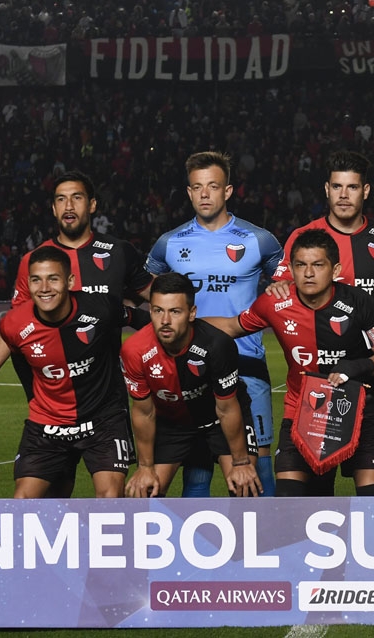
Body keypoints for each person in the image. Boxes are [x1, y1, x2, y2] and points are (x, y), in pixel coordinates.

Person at [0, 170, 153, 496]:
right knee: (53, 497)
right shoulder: (35, 261)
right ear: (53, 208)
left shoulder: (117, 252)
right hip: (51, 404)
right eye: (61, 199)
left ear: (92, 205)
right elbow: (16, 327)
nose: (69, 206)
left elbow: (156, 300)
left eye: (77, 198)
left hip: (105, 399)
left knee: (110, 497)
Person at [208, 229, 374, 497]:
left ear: (335, 270)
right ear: (291, 270)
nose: (308, 273)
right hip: (301, 411)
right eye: (301, 265)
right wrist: (181, 321)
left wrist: (356, 367)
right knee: (290, 502)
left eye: (318, 265)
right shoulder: (274, 302)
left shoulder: (358, 302)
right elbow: (231, 326)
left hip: (356, 409)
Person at [145, 151, 283, 497]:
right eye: (197, 187)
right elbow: (149, 293)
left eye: (213, 186)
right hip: (191, 370)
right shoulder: (169, 244)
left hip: (245, 364)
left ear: (228, 190)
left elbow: (285, 288)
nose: (204, 194)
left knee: (258, 466)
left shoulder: (259, 240)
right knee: (197, 469)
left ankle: (267, 531)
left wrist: (278, 290)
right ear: (189, 192)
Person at [270, 150, 374, 472]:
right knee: (317, 473)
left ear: (365, 191)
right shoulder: (304, 238)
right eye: (337, 187)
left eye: (352, 187)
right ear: (327, 189)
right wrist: (277, 287)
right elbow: (281, 289)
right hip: (320, 377)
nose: (343, 195)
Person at [0, 246, 144, 498]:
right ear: (27, 284)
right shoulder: (14, 322)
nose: (44, 288)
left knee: (110, 499)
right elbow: (15, 350)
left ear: (70, 281)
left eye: (53, 279)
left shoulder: (100, 308)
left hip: (103, 419)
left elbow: (142, 321)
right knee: (23, 501)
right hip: (48, 423)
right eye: (36, 280)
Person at [120, 273, 261, 498]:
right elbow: (144, 412)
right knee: (144, 492)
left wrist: (241, 462)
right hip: (172, 422)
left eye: (175, 311)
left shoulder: (217, 344)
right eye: (158, 311)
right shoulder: (134, 350)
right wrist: (145, 467)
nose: (165, 321)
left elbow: (226, 408)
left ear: (192, 313)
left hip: (218, 419)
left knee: (244, 488)